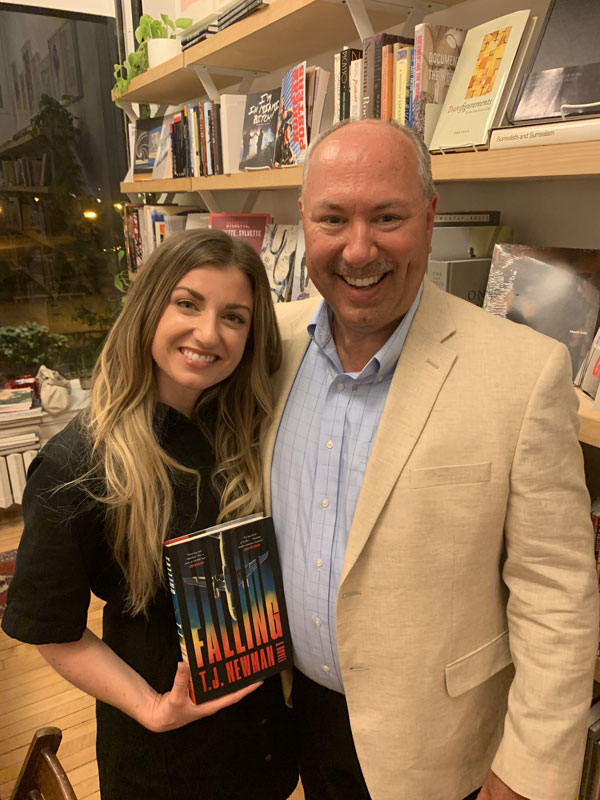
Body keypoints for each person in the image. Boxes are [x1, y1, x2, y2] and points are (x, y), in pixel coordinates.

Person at [262, 119, 598, 800]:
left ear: (430, 216)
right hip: (297, 720)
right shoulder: (268, 342)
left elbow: (556, 596)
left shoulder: (525, 372)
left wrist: (529, 770)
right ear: (304, 221)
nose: (359, 249)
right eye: (333, 218)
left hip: (441, 748)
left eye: (388, 217)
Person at [2, 230, 298, 800]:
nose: (208, 333)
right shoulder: (76, 464)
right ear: (147, 307)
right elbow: (52, 630)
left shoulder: (245, 432)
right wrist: (155, 709)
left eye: (234, 317)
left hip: (263, 745)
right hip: (166, 762)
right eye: (187, 303)